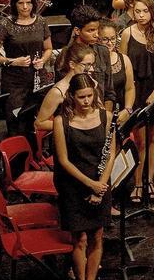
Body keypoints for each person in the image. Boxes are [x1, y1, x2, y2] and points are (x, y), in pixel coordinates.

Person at [53, 73, 116, 280]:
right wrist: (91, 184)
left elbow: (111, 154)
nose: (87, 101)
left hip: (101, 182)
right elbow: (63, 160)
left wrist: (101, 185)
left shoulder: (105, 116)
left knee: (97, 236)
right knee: (79, 239)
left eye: (90, 95)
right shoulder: (61, 121)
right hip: (73, 185)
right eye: (81, 97)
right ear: (72, 96)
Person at [119, 0, 154, 202]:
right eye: (137, 11)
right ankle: (138, 182)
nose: (141, 15)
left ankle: (150, 180)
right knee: (140, 140)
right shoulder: (127, 34)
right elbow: (123, 66)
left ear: (152, 11)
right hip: (136, 90)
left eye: (145, 11)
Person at [0, 0, 52, 136]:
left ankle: (36, 157)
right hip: (14, 83)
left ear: (34, 3)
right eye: (20, 3)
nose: (25, 7)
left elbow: (48, 49)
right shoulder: (5, 24)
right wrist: (12, 61)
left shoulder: (41, 22)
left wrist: (43, 60)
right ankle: (18, 158)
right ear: (14, 4)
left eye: (29, 3)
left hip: (37, 80)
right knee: (17, 124)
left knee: (37, 123)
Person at [34, 43, 97, 132]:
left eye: (92, 65)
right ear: (72, 65)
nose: (91, 69)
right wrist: (73, 125)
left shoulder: (91, 83)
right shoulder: (57, 92)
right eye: (87, 65)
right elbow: (39, 123)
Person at [66, 5, 117, 111]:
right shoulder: (66, 55)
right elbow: (65, 96)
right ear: (77, 30)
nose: (97, 35)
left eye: (97, 30)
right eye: (91, 30)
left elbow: (109, 92)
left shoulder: (103, 52)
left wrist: (106, 116)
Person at [98, 19, 136, 117]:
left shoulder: (124, 59)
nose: (110, 43)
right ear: (97, 39)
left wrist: (127, 110)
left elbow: (130, 88)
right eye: (105, 39)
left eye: (113, 38)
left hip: (120, 113)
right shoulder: (92, 60)